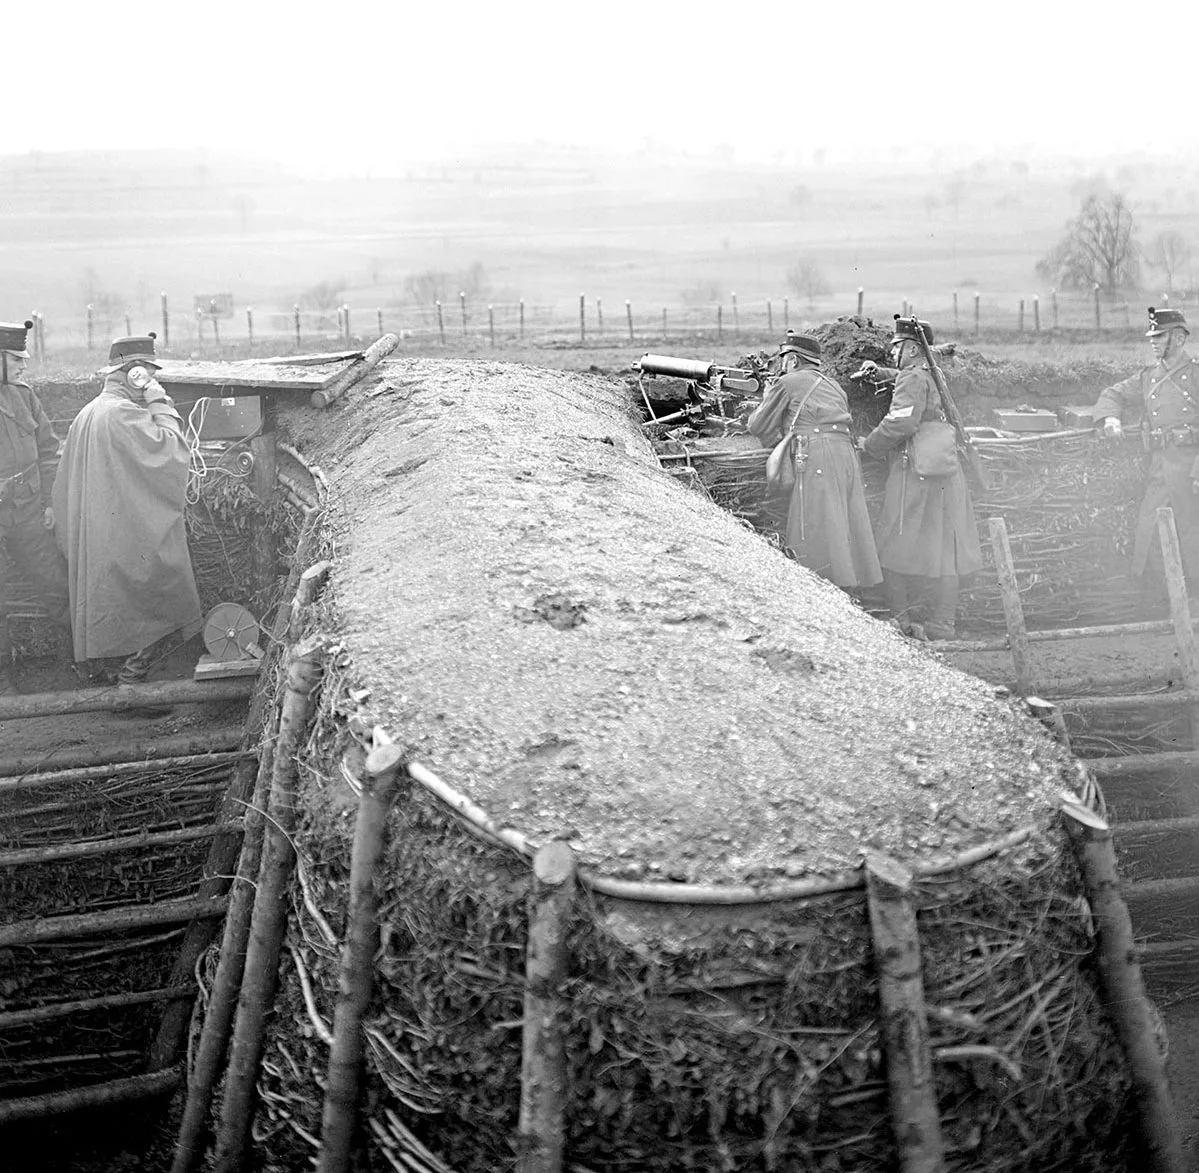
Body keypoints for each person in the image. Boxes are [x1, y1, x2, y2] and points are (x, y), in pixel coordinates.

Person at [53, 333, 203, 684]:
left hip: (98, 538)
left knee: (116, 605)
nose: (152, 380)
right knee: (160, 589)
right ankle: (131, 683)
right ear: (135, 373)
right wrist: (159, 401)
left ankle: (112, 675)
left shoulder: (89, 412)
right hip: (125, 538)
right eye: (149, 372)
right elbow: (172, 451)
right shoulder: (122, 413)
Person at [861, 317, 982, 639]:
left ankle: (899, 620)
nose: (894, 355)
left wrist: (869, 446)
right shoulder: (932, 372)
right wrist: (883, 373)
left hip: (913, 474)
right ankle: (944, 623)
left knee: (894, 541)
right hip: (944, 472)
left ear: (913, 349)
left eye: (897, 349)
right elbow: (913, 380)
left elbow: (900, 423)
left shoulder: (913, 377)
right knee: (947, 551)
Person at [746, 334, 882, 593]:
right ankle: (850, 588)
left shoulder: (787, 382)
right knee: (843, 520)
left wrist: (766, 398)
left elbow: (757, 425)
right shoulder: (834, 386)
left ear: (794, 360)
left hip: (818, 455)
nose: (781, 366)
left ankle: (821, 591)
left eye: (783, 360)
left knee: (815, 521)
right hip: (845, 455)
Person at [1093, 306, 1199, 587]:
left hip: (1191, 472)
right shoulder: (1148, 378)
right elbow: (1112, 394)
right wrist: (1110, 418)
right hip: (1160, 469)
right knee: (1149, 530)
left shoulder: (1197, 374)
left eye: (1159, 336)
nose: (1152, 341)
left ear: (1178, 338)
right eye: (1151, 336)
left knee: (1193, 535)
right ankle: (1164, 599)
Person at [0, 318, 72, 695]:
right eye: (15, 359)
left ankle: (74, 667)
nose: (23, 365)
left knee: (56, 583)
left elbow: (48, 452)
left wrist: (47, 503)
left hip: (27, 510)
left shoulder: (24, 396)